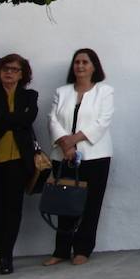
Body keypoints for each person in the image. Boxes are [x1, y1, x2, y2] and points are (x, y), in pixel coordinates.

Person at [44, 48, 114, 266]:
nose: (80, 66)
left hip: (95, 156)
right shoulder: (61, 92)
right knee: (65, 203)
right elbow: (52, 119)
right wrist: (66, 144)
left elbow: (102, 121)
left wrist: (74, 140)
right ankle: (61, 250)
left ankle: (83, 249)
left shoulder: (105, 91)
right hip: (63, 155)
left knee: (91, 204)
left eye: (85, 62)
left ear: (94, 66)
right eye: (77, 62)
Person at [0, 54, 37, 275]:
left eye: (15, 69)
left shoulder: (29, 96)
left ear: (22, 74)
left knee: (13, 209)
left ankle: (7, 255)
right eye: (6, 68)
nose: (9, 72)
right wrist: (12, 119)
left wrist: (0, 118)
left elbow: (27, 120)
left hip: (18, 160)